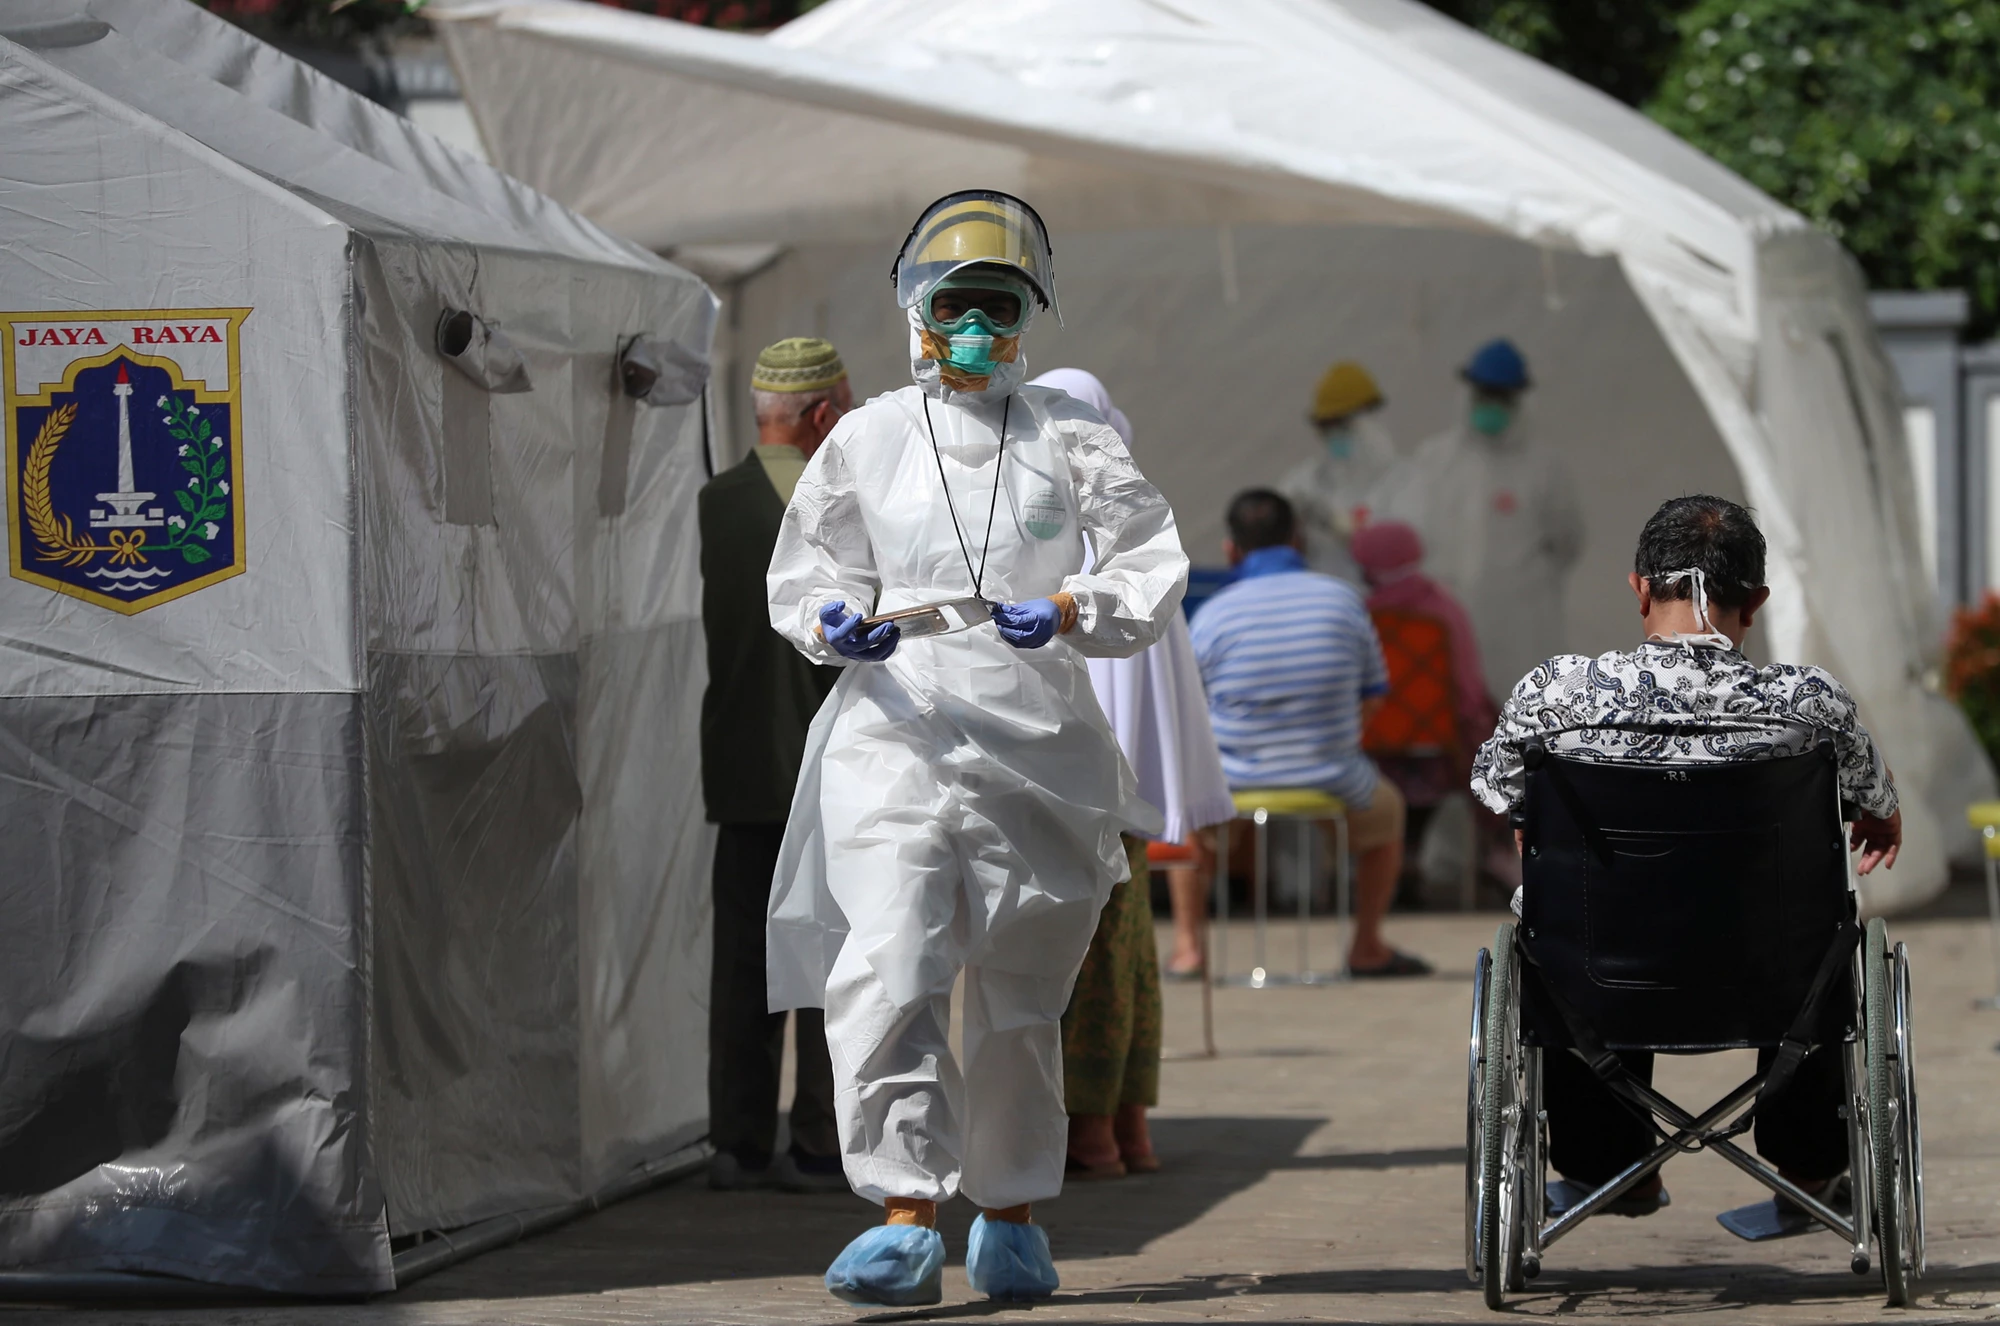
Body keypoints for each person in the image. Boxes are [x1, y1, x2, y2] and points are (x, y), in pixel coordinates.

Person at [764, 191, 1188, 1307]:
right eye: (955, 305)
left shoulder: (1066, 434)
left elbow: (1146, 560)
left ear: (1027, 317)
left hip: (1036, 742)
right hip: (894, 728)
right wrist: (826, 623)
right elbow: (806, 571)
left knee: (1018, 993)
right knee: (888, 960)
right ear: (914, 309)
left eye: (996, 309)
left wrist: (1073, 605)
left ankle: (1008, 1214)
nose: (973, 331)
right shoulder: (864, 437)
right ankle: (903, 1214)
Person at [1471, 494, 1902, 1218]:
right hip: (1770, 979)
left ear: (1639, 587)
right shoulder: (1810, 703)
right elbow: (1878, 807)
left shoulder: (1557, 694)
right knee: (1826, 937)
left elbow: (1497, 791)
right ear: (1756, 601)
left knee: (1570, 928)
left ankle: (1612, 1168)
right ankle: (1808, 1167)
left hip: (1602, 971)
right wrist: (1880, 822)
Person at [1028, 367, 1234, 1180]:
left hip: (1060, 789)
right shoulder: (1139, 533)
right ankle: (1127, 1131)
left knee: (1078, 957)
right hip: (1127, 797)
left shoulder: (1036, 527)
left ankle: (1091, 1134)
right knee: (1128, 956)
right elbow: (1169, 683)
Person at [698, 337, 853, 1194]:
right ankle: (821, 1142)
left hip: (740, 768)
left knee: (744, 965)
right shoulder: (841, 505)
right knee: (831, 963)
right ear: (824, 414)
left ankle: (738, 1140)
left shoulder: (715, 501)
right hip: (828, 772)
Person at [1189, 489, 1432, 977]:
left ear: (1230, 549)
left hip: (1233, 781)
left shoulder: (1213, 614)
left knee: (1185, 818)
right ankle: (1366, 946)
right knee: (1389, 813)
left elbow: (1191, 709)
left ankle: (1187, 948)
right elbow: (1373, 694)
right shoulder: (1344, 600)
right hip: (1331, 777)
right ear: (1298, 540)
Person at [1370, 338, 1583, 697]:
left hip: (1521, 623)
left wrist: (1520, 581)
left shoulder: (1544, 468)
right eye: (1484, 397)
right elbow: (1410, 530)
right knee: (1457, 715)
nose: (1490, 408)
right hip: (1449, 614)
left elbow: (1568, 541)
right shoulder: (1435, 459)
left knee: (1522, 718)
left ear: (1518, 401)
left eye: (1500, 399)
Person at [1350, 520, 1505, 904]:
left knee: (1392, 784)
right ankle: (1483, 856)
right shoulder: (1444, 610)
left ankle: (1394, 861)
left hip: (1369, 755)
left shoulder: (1357, 616)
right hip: (1440, 753)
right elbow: (1467, 690)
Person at [1279, 360, 1398, 582]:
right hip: (1319, 601)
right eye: (1326, 427)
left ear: (1370, 421)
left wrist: (1336, 524)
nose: (1333, 436)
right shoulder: (1303, 482)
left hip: (1380, 608)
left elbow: (1397, 552)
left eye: (1340, 426)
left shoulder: (1405, 482)